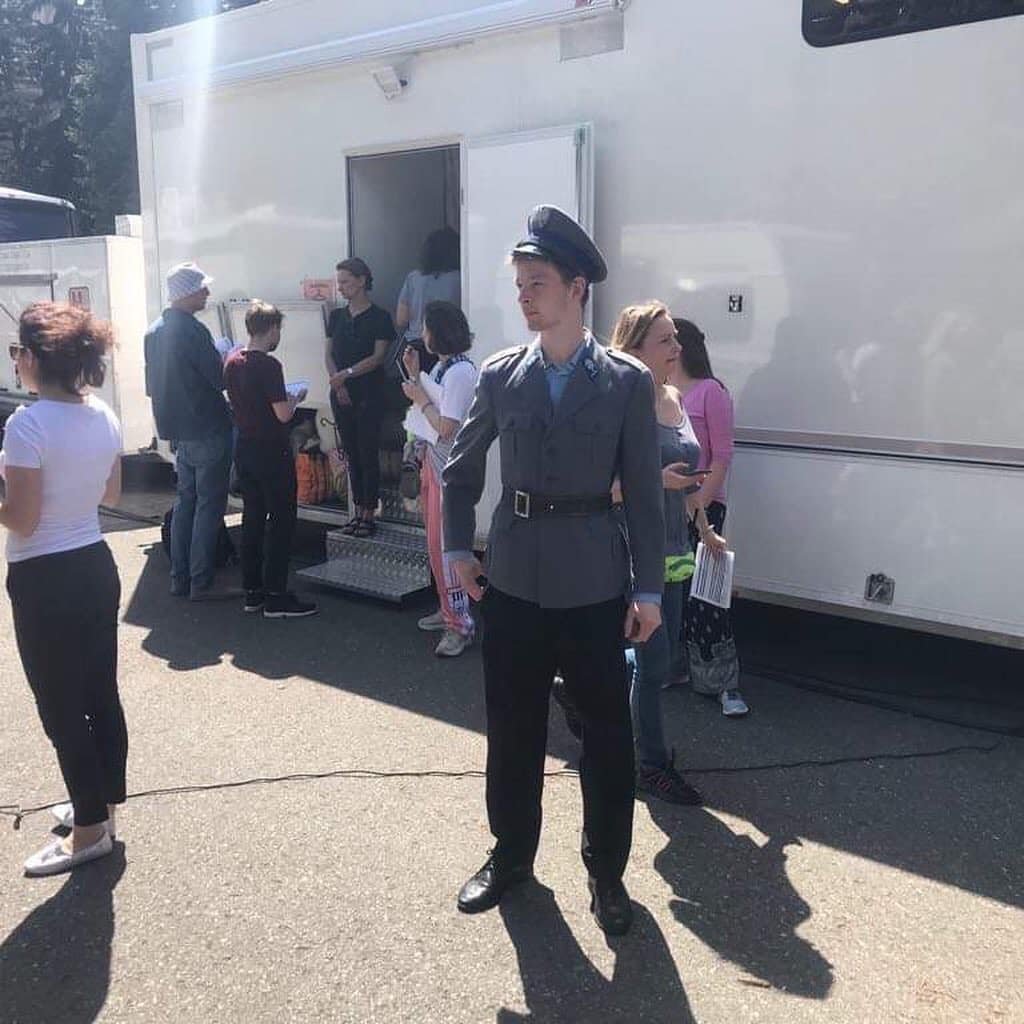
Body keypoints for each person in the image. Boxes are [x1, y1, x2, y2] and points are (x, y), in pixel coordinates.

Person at [443, 205, 665, 936]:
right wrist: (454, 550)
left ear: (577, 290)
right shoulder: (505, 376)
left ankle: (607, 876)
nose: (524, 295)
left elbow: (642, 487)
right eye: (519, 283)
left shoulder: (628, 382)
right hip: (513, 583)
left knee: (606, 737)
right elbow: (461, 467)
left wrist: (648, 588)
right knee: (511, 730)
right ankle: (511, 857)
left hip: (596, 586)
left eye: (537, 282)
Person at [0, 303, 126, 876]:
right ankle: (99, 803)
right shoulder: (103, 413)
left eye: (15, 352)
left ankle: (90, 831)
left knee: (61, 706)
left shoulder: (26, 425)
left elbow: (21, 520)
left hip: (43, 574)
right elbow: (114, 494)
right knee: (98, 691)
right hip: (95, 564)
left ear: (30, 359)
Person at [609, 302, 716, 805]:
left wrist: (704, 528)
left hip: (677, 547)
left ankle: (583, 691)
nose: (678, 348)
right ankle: (648, 766)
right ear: (633, 349)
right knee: (653, 668)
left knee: (663, 659)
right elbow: (598, 488)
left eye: (676, 338)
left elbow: (687, 475)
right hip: (635, 550)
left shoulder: (674, 395)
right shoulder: (618, 400)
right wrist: (655, 481)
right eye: (665, 340)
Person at [144, 261, 236, 600]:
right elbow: (218, 377)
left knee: (186, 502)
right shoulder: (194, 331)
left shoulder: (154, 330)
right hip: (207, 425)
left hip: (178, 430)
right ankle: (201, 581)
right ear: (187, 293)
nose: (207, 293)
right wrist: (228, 354)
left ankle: (179, 578)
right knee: (209, 505)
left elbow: (152, 385)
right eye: (202, 288)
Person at [672, 317, 749, 717]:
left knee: (707, 596)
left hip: (705, 504)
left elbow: (722, 456)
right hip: (669, 503)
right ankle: (676, 668)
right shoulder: (662, 393)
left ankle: (723, 683)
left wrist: (698, 504)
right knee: (671, 593)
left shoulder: (710, 392)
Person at [223, 301, 318, 619]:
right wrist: (295, 398)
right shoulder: (269, 365)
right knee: (281, 522)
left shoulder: (232, 361)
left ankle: (253, 592)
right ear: (273, 328)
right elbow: (282, 414)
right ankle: (277, 595)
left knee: (252, 519)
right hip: (271, 451)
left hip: (246, 448)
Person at [401, 301, 477, 657]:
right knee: (437, 546)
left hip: (449, 468)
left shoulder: (460, 373)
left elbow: (446, 428)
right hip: (438, 465)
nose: (424, 335)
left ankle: (459, 625)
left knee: (448, 549)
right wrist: (415, 375)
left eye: (428, 328)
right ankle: (448, 609)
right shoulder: (450, 366)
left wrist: (418, 396)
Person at [324, 258, 396, 537]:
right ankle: (356, 510)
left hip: (369, 393)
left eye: (345, 281)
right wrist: (337, 383)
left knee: (368, 451)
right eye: (338, 282)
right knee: (351, 452)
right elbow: (328, 354)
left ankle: (369, 512)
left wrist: (347, 374)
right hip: (341, 392)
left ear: (362, 280)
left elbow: (378, 357)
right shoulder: (337, 317)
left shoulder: (380, 317)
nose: (340, 287)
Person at [395, 227, 461, 374]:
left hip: (415, 348)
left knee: (416, 394)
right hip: (446, 349)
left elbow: (401, 319)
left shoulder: (413, 278)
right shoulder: (460, 279)